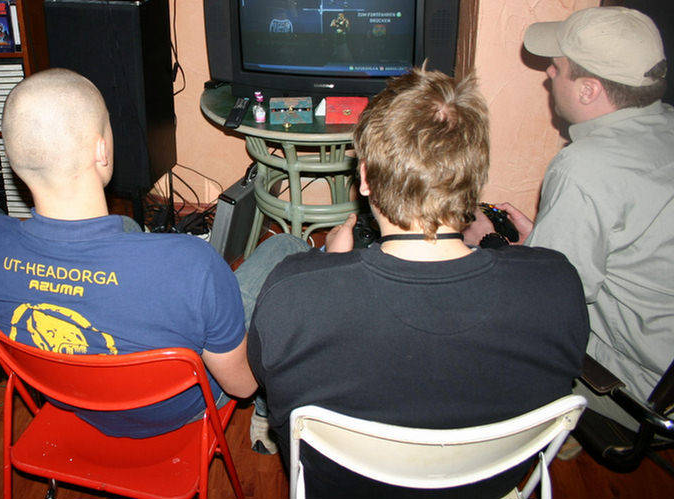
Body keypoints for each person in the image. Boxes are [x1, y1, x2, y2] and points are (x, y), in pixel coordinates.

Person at [247, 67, 589, 497]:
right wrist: (504, 248)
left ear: (364, 177)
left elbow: (265, 381)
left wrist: (327, 267)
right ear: (474, 179)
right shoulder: (558, 287)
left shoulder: (291, 296)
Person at [0, 68, 300, 439]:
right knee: (287, 248)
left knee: (128, 229)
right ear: (102, 150)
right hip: (178, 410)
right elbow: (241, 387)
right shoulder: (193, 265)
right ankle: (267, 411)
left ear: (14, 158)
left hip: (68, 400)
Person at [464, 5, 673, 421]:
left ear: (588, 90)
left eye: (558, 68)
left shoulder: (585, 167)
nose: (548, 73)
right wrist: (542, 242)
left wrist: (488, 242)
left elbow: (543, 302)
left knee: (472, 325)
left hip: (638, 386)